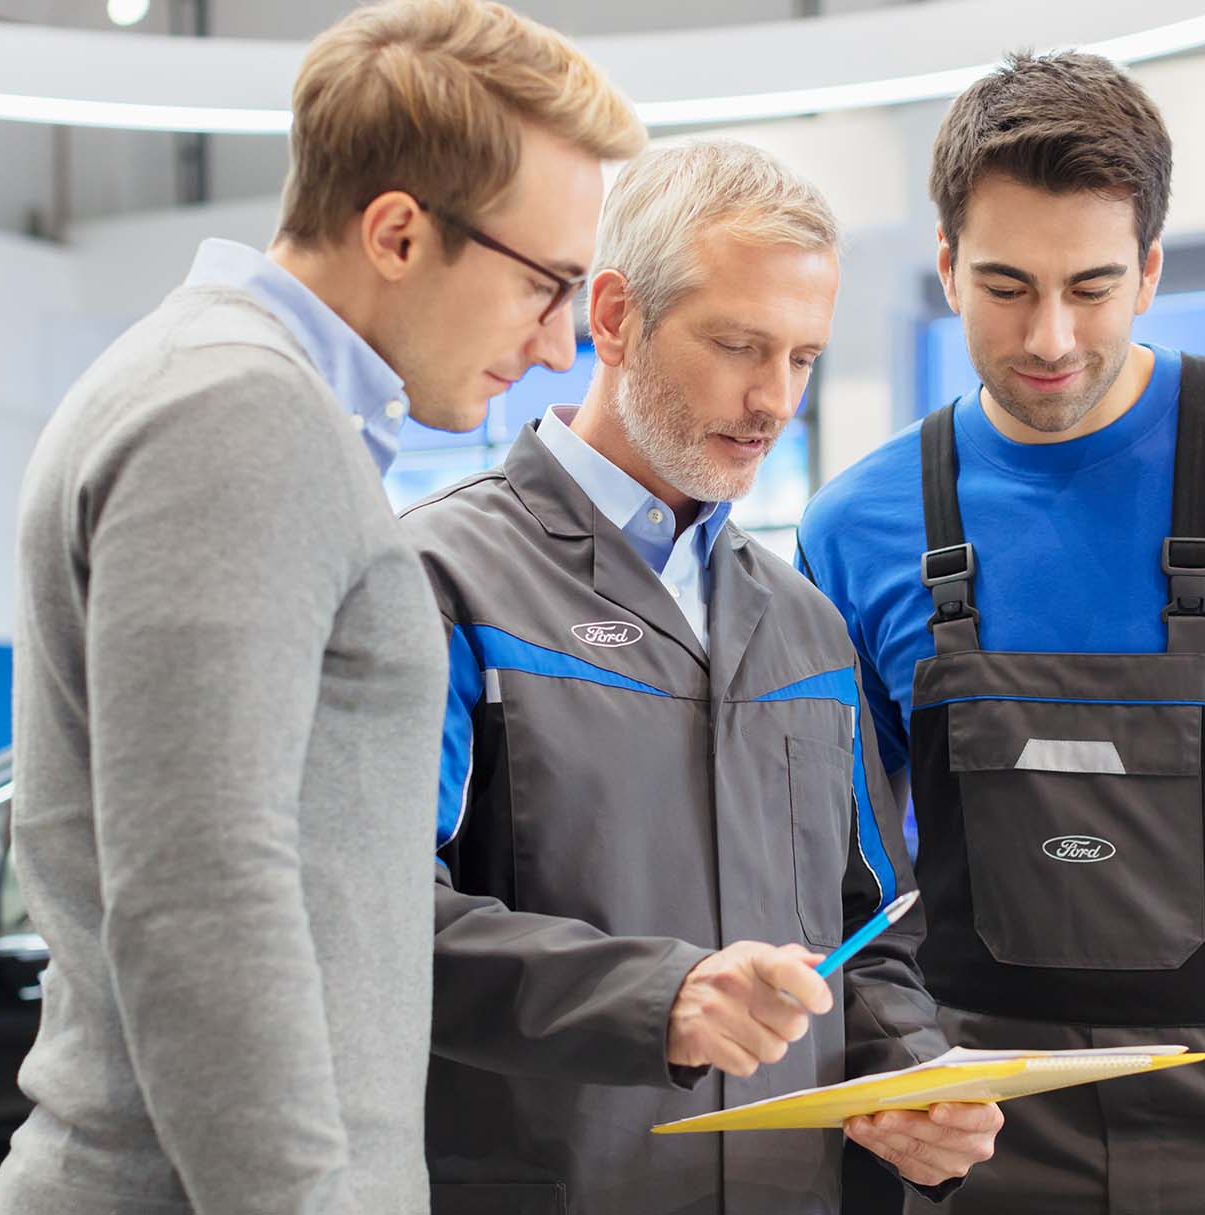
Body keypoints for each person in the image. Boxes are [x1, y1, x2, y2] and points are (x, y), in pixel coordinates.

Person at [0, 3, 643, 1211]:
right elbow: (203, 895)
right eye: (545, 286)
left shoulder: (226, 392)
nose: (558, 346)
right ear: (396, 231)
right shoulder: (238, 416)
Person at [796, 51, 1205, 1214]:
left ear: (1150, 269)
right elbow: (842, 865)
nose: (1050, 336)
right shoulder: (857, 524)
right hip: (979, 1139)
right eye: (1006, 287)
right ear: (946, 268)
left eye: (1092, 286)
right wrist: (885, 1075)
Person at [402, 139, 1002, 1215]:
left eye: (805, 358)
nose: (776, 400)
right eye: (739, 345)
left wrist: (911, 1076)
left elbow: (873, 935)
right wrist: (655, 998)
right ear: (616, 317)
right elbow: (376, 917)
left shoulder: (808, 631)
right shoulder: (441, 580)